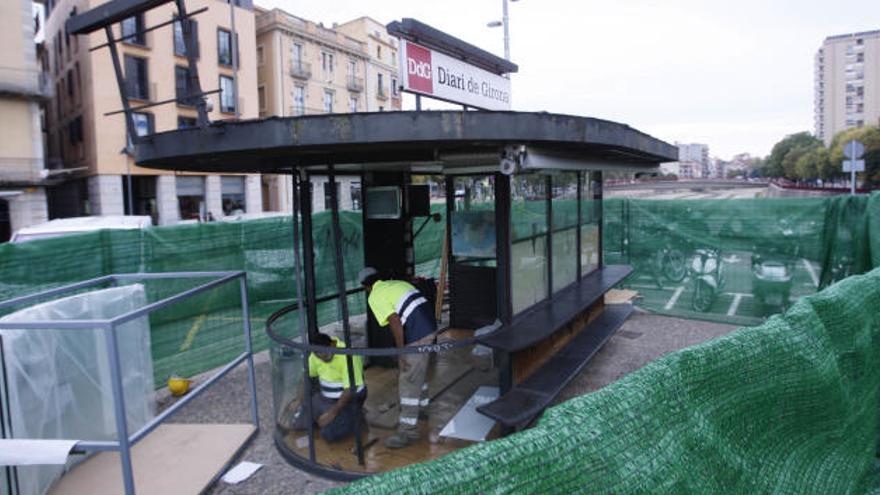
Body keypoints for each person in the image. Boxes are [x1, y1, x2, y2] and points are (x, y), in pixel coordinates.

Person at [358, 267, 437, 449]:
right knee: (418, 371)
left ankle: (408, 432)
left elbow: (394, 320)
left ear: (365, 286)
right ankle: (423, 408)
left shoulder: (375, 296)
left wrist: (401, 351)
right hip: (429, 326)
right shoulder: (396, 283)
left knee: (408, 378)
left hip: (418, 333)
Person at [291, 333, 366, 443]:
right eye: (319, 357)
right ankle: (331, 419)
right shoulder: (315, 355)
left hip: (349, 400)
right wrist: (298, 399)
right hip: (325, 398)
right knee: (297, 424)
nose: (324, 359)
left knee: (328, 434)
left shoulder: (347, 355)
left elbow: (349, 390)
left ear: (332, 345)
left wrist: (332, 413)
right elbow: (305, 378)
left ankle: (355, 417)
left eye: (326, 356)